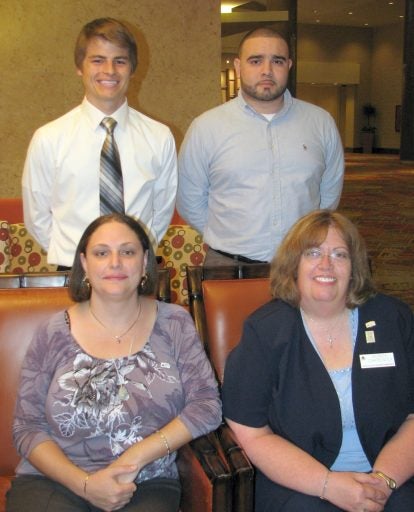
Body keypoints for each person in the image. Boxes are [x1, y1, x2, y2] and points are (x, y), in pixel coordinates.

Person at [7, 213, 221, 512]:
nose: (115, 262)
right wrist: (85, 484)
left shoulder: (175, 323)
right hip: (55, 480)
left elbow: (207, 406)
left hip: (146, 480)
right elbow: (27, 427)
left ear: (145, 261)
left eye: (128, 251)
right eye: (101, 252)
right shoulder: (52, 332)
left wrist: (133, 459)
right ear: (84, 263)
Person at [222, 210, 414, 511]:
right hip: (300, 482)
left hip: (391, 474)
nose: (326, 264)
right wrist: (328, 484)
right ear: (293, 265)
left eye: (339, 254)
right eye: (313, 253)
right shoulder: (266, 331)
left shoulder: (393, 318)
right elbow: (252, 433)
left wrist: (382, 481)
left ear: (355, 268)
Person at [177, 27, 344, 266]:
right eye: (255, 61)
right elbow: (189, 200)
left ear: (288, 66)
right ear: (238, 66)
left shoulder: (320, 123)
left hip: (303, 264)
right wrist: (230, 238)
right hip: (228, 265)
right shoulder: (206, 127)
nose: (267, 70)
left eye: (277, 61)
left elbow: (328, 194)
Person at [22, 18, 177, 269]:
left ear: (133, 69)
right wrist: (78, 256)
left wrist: (130, 253)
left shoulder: (159, 137)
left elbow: (162, 210)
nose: (109, 70)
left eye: (120, 61)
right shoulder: (49, 138)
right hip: (73, 269)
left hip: (135, 272)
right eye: (97, 60)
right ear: (79, 67)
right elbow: (37, 217)